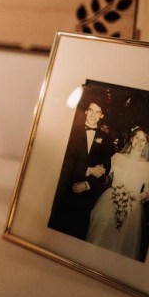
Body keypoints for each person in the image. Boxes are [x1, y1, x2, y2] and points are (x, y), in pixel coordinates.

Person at [48, 98, 115, 240]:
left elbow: (105, 169)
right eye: (91, 111)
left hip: (86, 196)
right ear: (85, 111)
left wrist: (87, 184)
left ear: (102, 115)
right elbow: (62, 160)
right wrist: (88, 170)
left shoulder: (106, 139)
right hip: (63, 189)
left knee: (75, 234)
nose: (93, 115)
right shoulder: (70, 130)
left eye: (98, 112)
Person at [86, 127, 149, 260]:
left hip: (131, 208)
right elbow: (104, 177)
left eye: (143, 140)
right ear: (131, 138)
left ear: (147, 143)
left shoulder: (148, 167)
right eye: (136, 137)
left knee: (119, 245)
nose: (139, 142)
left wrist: (136, 196)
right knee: (99, 240)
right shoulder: (117, 157)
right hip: (109, 201)